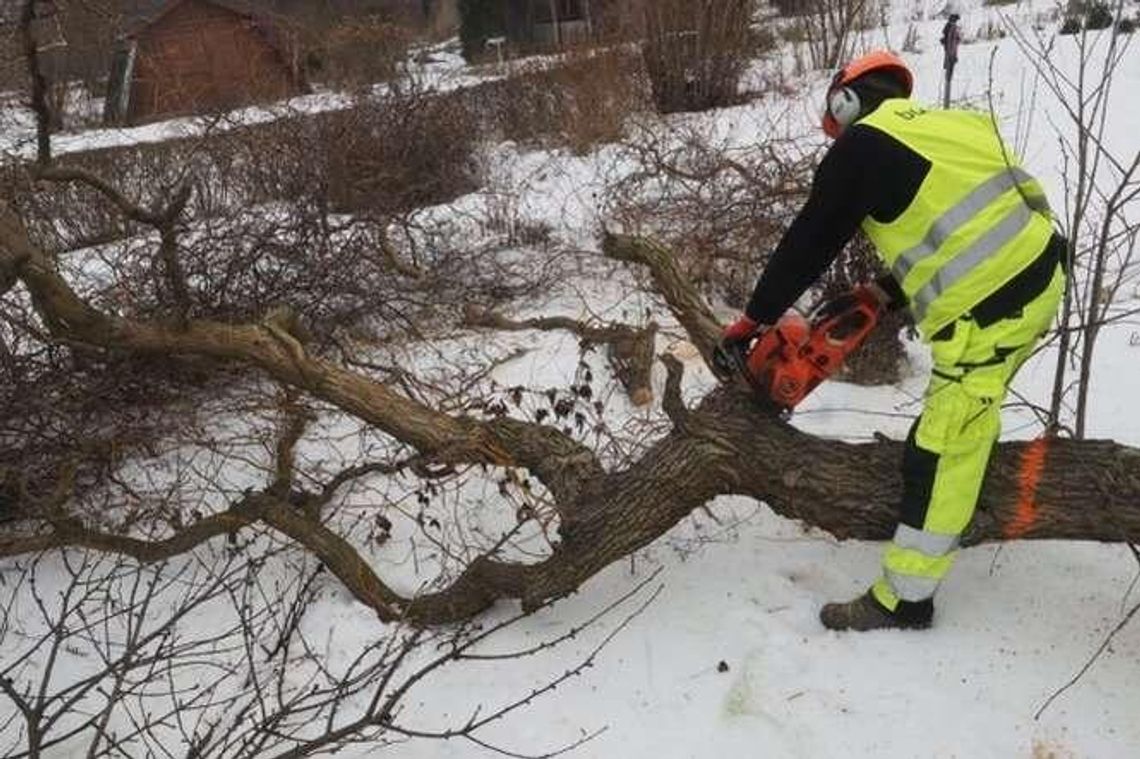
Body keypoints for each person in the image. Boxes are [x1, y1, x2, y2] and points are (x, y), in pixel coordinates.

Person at [720, 51, 1066, 631]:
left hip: (991, 311)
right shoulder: (954, 124)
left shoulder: (861, 147)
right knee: (954, 429)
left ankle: (905, 598)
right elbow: (973, 221)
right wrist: (885, 291)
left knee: (942, 449)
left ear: (845, 101)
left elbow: (812, 239)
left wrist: (752, 320)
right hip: (1042, 272)